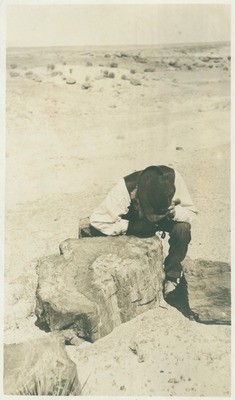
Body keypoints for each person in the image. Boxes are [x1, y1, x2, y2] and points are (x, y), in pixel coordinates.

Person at [81, 165, 198, 299]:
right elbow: (98, 220)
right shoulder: (124, 188)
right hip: (136, 219)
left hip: (165, 216)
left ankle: (172, 276)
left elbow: (192, 212)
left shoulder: (172, 178)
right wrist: (130, 226)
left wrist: (175, 212)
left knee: (182, 229)